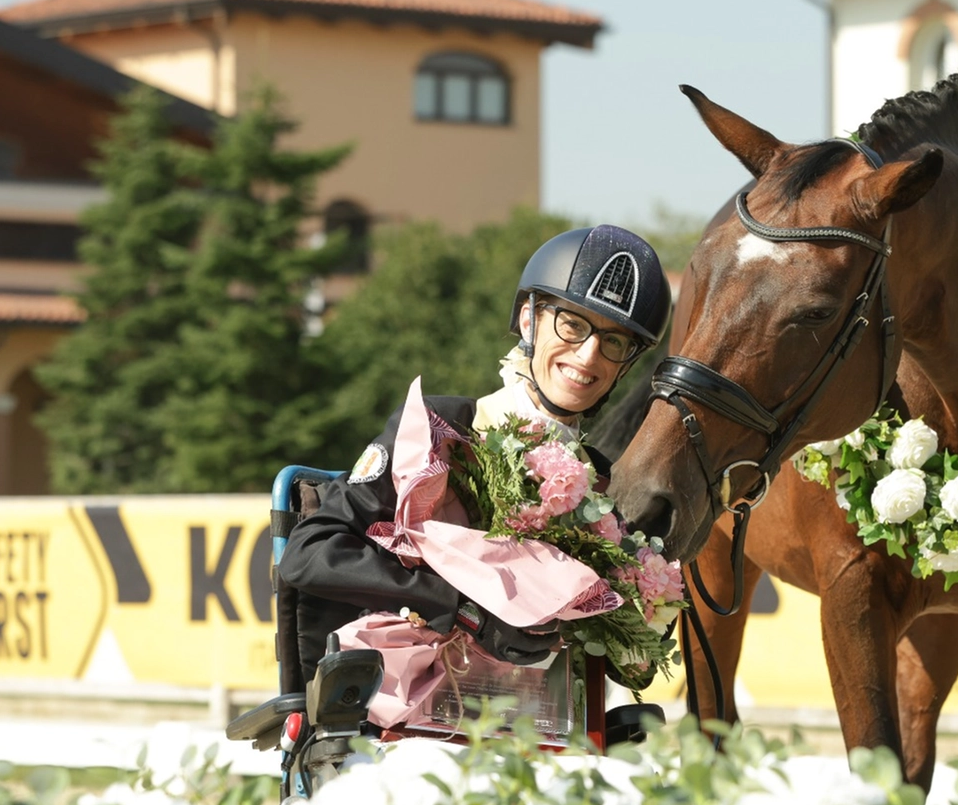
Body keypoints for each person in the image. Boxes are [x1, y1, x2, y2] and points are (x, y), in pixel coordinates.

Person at [277, 224, 671, 688]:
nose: (588, 356)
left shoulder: (602, 486)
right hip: (411, 719)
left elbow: (634, 674)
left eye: (614, 342)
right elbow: (309, 554)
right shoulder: (439, 428)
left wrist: (636, 611)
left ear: (625, 364)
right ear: (529, 320)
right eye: (572, 324)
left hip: (543, 729)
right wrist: (465, 608)